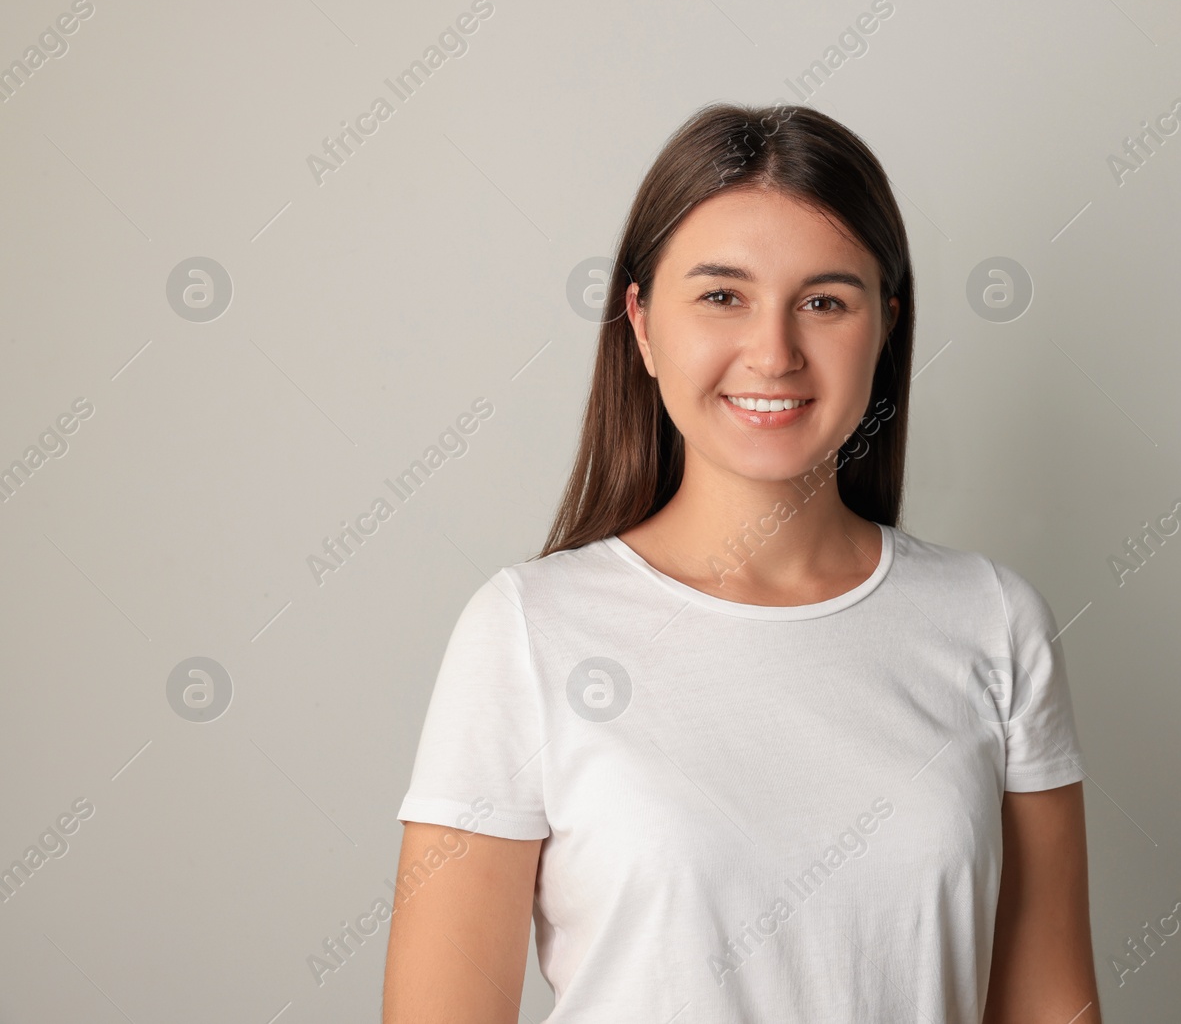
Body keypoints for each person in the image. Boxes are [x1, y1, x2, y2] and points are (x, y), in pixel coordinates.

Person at [382, 102, 1100, 1023]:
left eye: (824, 301)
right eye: (722, 295)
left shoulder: (995, 622)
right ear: (640, 323)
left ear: (885, 325)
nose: (773, 352)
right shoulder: (525, 632)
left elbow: (1051, 1009)